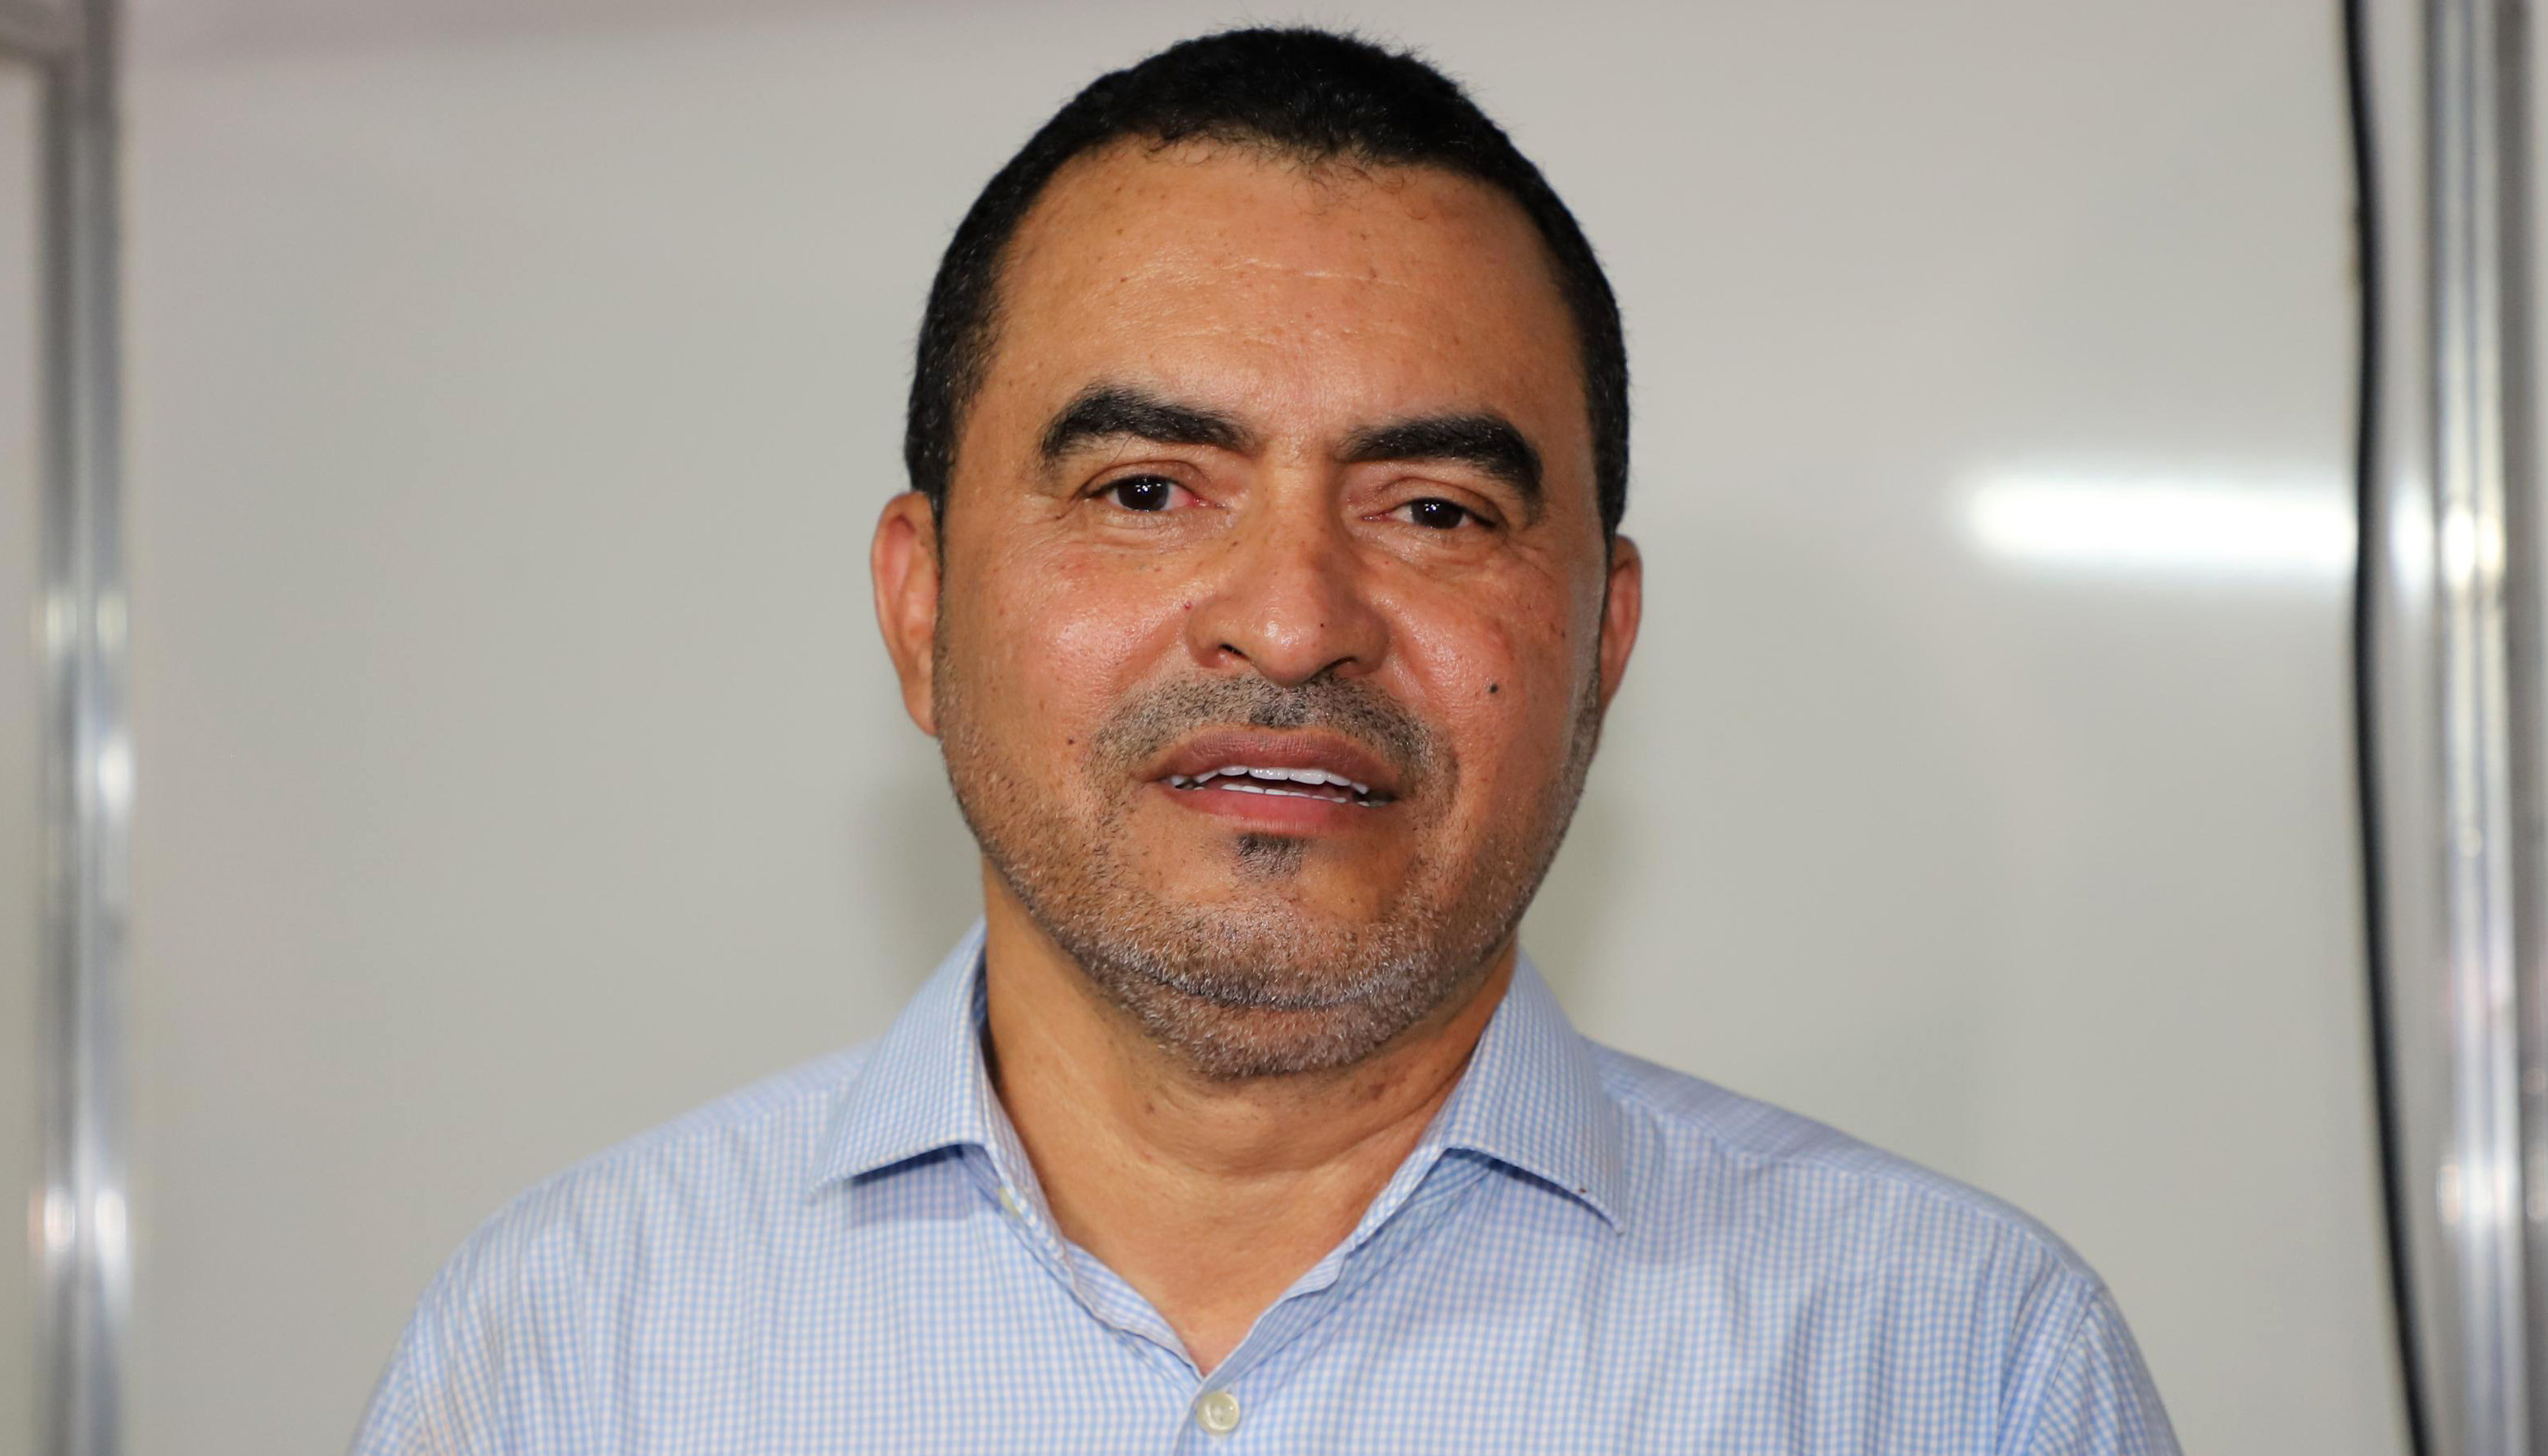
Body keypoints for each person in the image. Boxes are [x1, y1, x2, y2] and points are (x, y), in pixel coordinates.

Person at [352, 27, 2177, 1454]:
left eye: (1436, 510)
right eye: (1148, 489)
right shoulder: (572, 1355)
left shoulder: (1953, 1369)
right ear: (921, 607)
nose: (1294, 621)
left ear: (1602, 646)